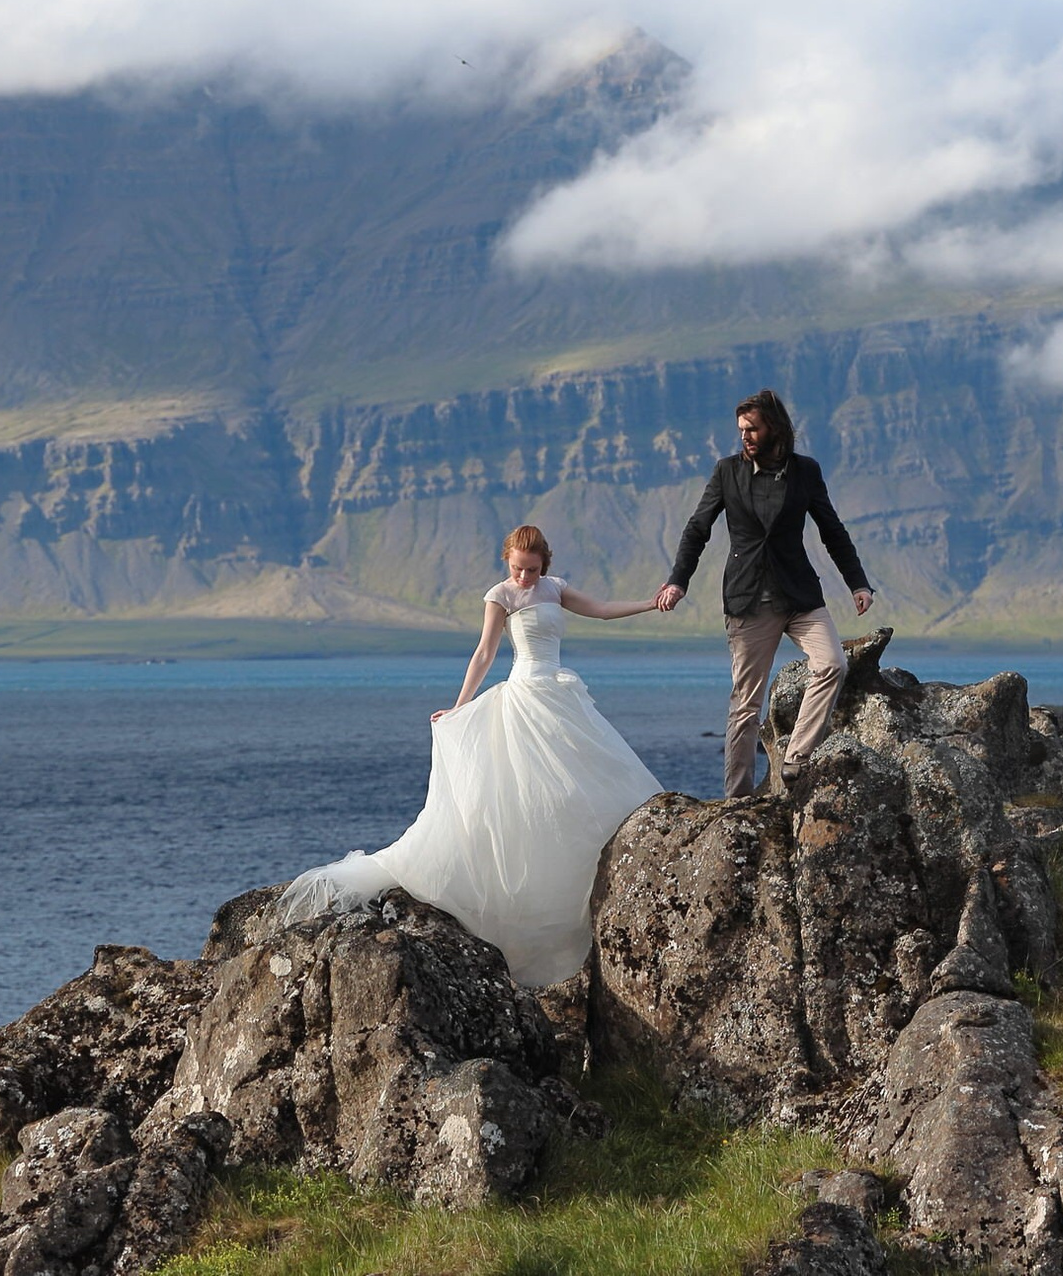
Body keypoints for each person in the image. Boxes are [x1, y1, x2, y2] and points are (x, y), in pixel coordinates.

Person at [276, 524, 663, 987]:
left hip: (559, 696)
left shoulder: (555, 589)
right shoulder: (500, 595)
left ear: (546, 566)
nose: (524, 577)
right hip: (524, 696)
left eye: (532, 570)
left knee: (577, 788)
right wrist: (459, 708)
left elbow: (599, 610)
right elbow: (484, 652)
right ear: (507, 562)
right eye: (518, 569)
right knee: (522, 795)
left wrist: (648, 603)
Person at [655, 389, 874, 798]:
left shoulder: (806, 472)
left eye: (752, 429)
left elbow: (833, 530)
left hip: (800, 596)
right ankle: (736, 798)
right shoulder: (727, 472)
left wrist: (857, 582)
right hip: (748, 600)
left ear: (774, 427)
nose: (745, 437)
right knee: (746, 705)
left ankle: (796, 756)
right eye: (741, 430)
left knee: (832, 665)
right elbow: (696, 530)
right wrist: (677, 581)